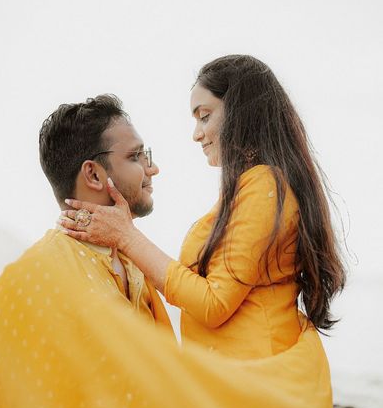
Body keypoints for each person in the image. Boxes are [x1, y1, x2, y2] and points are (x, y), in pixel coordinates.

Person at [60, 55, 346, 362]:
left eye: (205, 116)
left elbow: (213, 303)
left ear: (242, 113)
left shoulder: (264, 185)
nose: (196, 134)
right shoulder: (252, 186)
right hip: (243, 376)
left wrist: (126, 237)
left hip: (257, 381)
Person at [0, 95, 173, 408]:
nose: (153, 170)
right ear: (93, 175)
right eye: (136, 157)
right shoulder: (34, 276)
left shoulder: (138, 267)